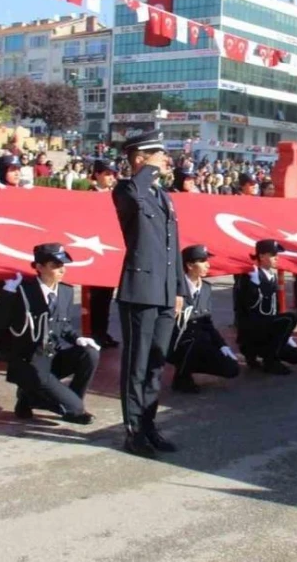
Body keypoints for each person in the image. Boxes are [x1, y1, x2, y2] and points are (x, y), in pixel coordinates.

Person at [111, 130, 187, 458]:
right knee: (137, 365)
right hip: (140, 289)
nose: (165, 160)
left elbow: (174, 248)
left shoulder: (162, 195)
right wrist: (147, 170)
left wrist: (181, 288)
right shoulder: (128, 190)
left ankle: (149, 424)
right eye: (159, 154)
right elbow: (136, 194)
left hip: (167, 290)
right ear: (141, 158)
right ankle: (133, 431)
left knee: (157, 361)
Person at [1, 244, 100, 424]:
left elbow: (65, 326)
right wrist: (7, 294)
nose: (61, 269)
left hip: (52, 357)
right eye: (54, 265)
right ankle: (60, 403)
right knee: (75, 406)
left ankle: (65, 405)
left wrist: (77, 338)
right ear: (39, 267)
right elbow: (1, 323)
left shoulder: (65, 291)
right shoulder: (23, 291)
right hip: (31, 362)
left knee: (90, 353)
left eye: (63, 265)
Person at [167, 245, 240, 393]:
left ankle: (190, 366)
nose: (208, 265)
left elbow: (207, 322)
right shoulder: (174, 288)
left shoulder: (205, 288)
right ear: (189, 265)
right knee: (195, 341)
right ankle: (182, 376)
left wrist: (222, 345)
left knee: (232, 368)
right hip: (177, 345)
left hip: (200, 343)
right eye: (203, 261)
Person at [233, 239, 297, 375]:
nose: (277, 258)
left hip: (269, 328)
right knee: (290, 318)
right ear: (261, 256)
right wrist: (254, 286)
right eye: (273, 255)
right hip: (253, 330)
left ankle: (267, 353)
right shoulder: (249, 276)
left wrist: (286, 335)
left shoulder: (271, 276)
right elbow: (244, 307)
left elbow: (274, 307)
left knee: (296, 356)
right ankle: (268, 360)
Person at [0, 154, 29, 362]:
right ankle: (1, 344)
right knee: (1, 302)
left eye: (18, 169)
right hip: (0, 256)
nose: (16, 173)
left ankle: (17, 341)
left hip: (21, 255)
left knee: (20, 303)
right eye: (12, 169)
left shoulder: (24, 193)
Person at [87, 160, 119, 348]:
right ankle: (94, 332)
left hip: (110, 250)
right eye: (107, 174)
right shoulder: (89, 196)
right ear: (97, 174)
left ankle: (102, 331)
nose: (111, 178)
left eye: (112, 174)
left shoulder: (116, 196)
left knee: (106, 296)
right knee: (95, 297)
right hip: (94, 249)